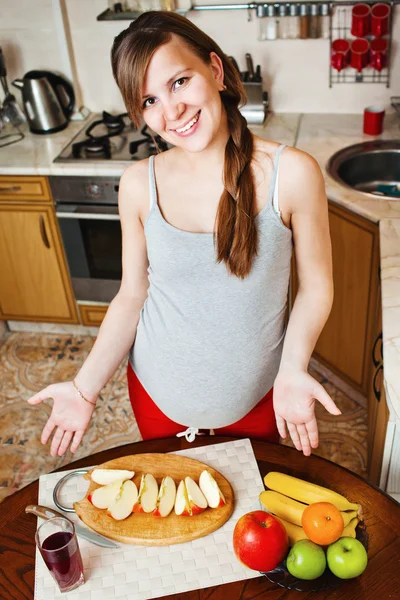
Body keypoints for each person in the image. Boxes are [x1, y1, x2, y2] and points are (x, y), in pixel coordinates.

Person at [27, 11, 340, 459]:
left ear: (214, 69)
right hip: (156, 397)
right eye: (149, 100)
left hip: (261, 398)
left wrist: (293, 367)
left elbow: (316, 286)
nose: (171, 112)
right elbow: (133, 295)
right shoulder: (139, 183)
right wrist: (84, 387)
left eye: (179, 82)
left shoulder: (290, 174)